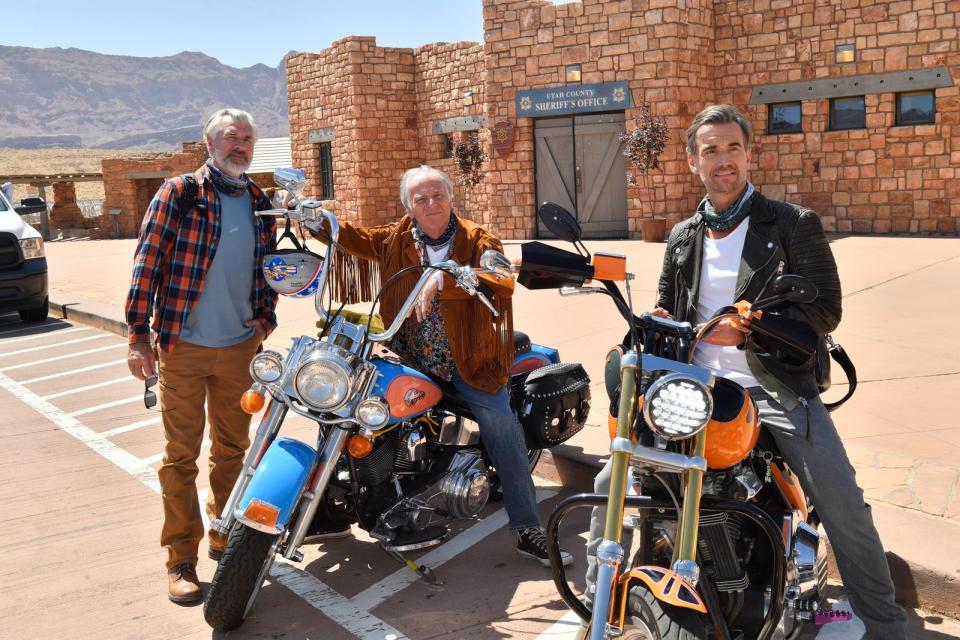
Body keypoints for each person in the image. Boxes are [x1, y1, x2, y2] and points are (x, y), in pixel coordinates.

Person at [585, 104, 906, 638]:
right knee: (610, 478)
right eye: (711, 150)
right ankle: (603, 602)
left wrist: (750, 330)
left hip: (774, 386)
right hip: (697, 388)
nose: (723, 159)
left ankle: (886, 623)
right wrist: (662, 319)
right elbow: (671, 303)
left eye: (733, 147)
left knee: (842, 501)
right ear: (694, 162)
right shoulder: (684, 235)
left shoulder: (791, 224)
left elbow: (825, 308)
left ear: (749, 154)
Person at [302, 165, 572, 567]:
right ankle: (328, 506)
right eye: (421, 199)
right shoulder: (397, 239)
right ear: (409, 207)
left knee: (501, 425)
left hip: (470, 362)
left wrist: (447, 276)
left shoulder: (477, 239)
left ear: (451, 198)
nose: (431, 204)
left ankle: (527, 528)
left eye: (437, 195)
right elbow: (353, 239)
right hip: (409, 355)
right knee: (339, 402)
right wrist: (313, 219)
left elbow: (500, 277)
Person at [125, 108, 279, 604]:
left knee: (234, 451)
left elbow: (268, 268)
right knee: (181, 455)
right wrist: (137, 335)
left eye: (248, 139)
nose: (241, 147)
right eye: (232, 139)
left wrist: (265, 315)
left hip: (238, 348)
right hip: (183, 347)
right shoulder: (180, 193)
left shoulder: (258, 200)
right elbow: (146, 261)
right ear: (210, 143)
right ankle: (180, 558)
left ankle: (223, 530)